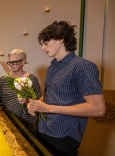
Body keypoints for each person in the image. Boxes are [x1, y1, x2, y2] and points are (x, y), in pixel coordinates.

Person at [27, 21, 106, 156]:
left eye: (45, 43)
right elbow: (49, 97)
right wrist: (36, 104)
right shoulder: (52, 67)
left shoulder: (82, 66)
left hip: (63, 138)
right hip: (43, 130)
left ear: (61, 39)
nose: (43, 49)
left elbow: (98, 109)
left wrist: (48, 108)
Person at [0, 49, 42, 132]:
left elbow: (39, 98)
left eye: (14, 62)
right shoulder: (5, 79)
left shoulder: (32, 79)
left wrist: (28, 101)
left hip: (28, 123)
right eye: (9, 62)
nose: (11, 65)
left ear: (23, 61)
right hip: (9, 121)